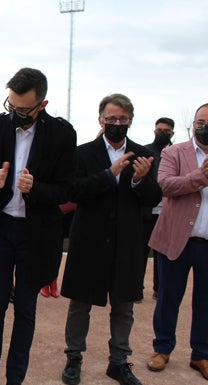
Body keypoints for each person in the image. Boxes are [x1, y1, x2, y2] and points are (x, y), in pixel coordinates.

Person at [0, 67, 77, 385]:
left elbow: (67, 188)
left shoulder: (62, 134)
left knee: (26, 310)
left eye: (23, 110)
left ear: (42, 105)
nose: (16, 114)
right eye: (11, 106)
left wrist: (37, 189)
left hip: (37, 233)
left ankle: (14, 378)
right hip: (2, 227)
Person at [60, 93, 162, 385]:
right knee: (80, 304)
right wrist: (109, 174)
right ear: (101, 120)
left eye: (122, 119)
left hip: (127, 241)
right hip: (89, 239)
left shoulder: (143, 154)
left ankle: (118, 362)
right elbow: (74, 191)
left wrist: (140, 180)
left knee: (124, 305)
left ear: (130, 120)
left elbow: (154, 199)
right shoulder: (83, 153)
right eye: (111, 119)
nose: (117, 124)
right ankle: (74, 358)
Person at [146, 103, 208, 381]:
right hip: (175, 239)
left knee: (206, 302)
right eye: (200, 122)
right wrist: (201, 176)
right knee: (169, 297)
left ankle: (201, 354)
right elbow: (167, 185)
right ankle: (162, 348)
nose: (204, 128)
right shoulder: (174, 152)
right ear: (193, 124)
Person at [142, 117, 174, 301]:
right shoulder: (146, 151)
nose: (162, 133)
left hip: (167, 212)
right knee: (141, 251)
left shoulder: (176, 152)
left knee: (162, 253)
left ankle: (159, 289)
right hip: (147, 211)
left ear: (172, 133)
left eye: (166, 130)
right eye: (159, 129)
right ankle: (137, 288)